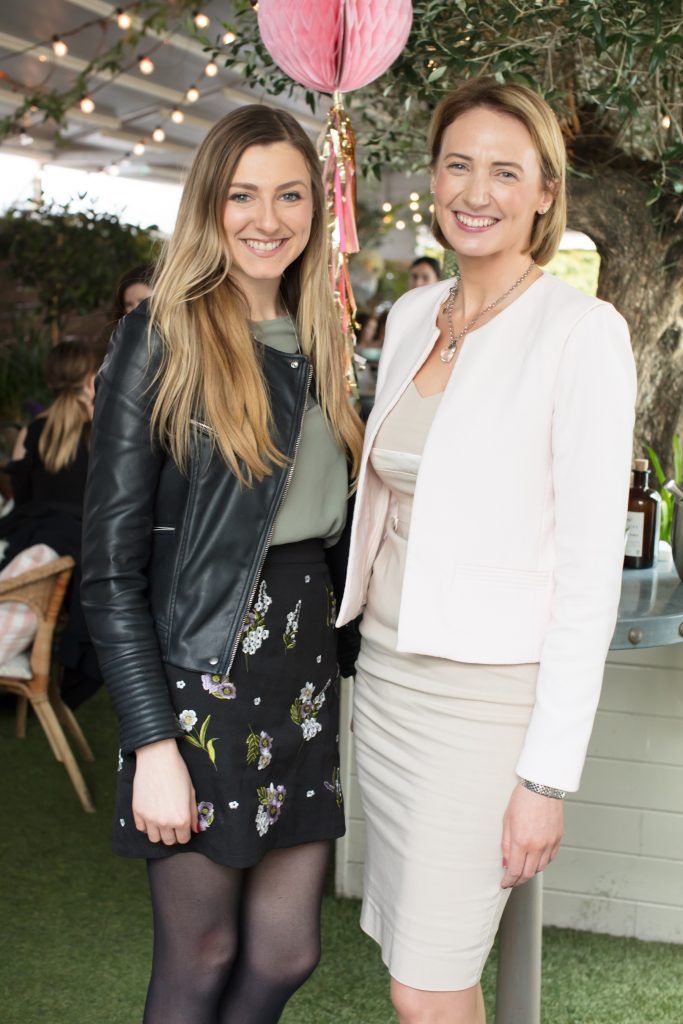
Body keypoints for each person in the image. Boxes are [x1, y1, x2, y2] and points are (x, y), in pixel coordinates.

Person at [336, 77, 636, 1024]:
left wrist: (544, 778)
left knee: (425, 985)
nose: (476, 190)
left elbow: (590, 578)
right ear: (431, 178)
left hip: (485, 703)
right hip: (383, 678)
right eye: (457, 164)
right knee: (418, 962)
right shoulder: (416, 318)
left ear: (545, 192)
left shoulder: (582, 333)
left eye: (505, 172)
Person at [81, 105, 363, 1024]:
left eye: (289, 194)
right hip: (201, 676)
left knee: (285, 952)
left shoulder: (325, 338)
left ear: (315, 209)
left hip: (303, 678)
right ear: (209, 202)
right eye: (243, 194)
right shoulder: (160, 338)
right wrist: (152, 744)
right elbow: (110, 570)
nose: (266, 217)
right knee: (199, 956)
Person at [1, 340, 102, 707]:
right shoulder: (105, 430)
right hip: (85, 556)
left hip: (37, 544)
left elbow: (20, 502)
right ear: (92, 378)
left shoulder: (30, 431)